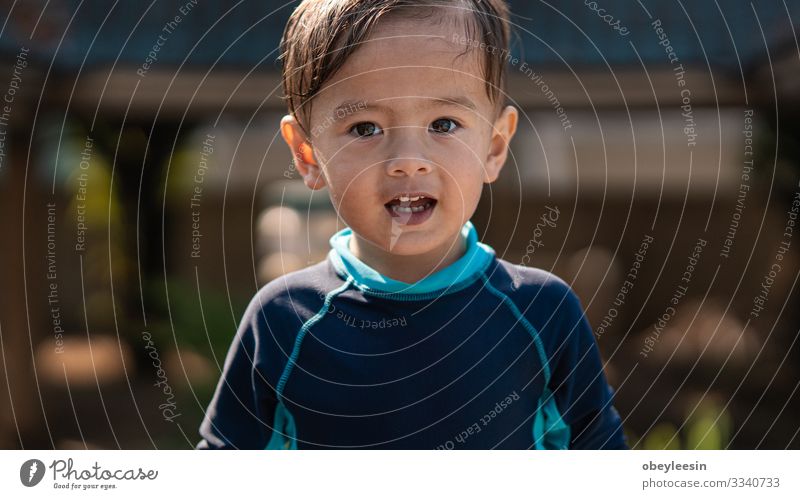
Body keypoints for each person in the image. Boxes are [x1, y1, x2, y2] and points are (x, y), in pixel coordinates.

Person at [198, 0, 627, 449]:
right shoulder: (286, 319)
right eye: (365, 128)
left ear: (494, 146)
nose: (408, 162)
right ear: (307, 154)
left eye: (444, 124)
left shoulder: (542, 315)